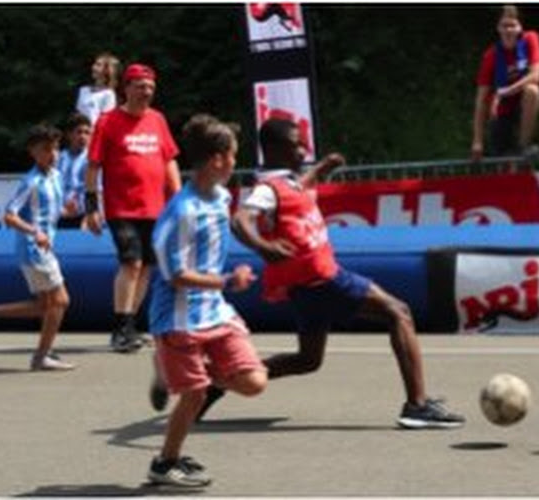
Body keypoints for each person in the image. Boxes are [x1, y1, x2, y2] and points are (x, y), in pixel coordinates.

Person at [188, 118, 465, 429]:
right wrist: (263, 247)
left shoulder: (288, 181)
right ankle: (417, 405)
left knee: (308, 360)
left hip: (306, 284)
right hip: (321, 279)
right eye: (296, 144)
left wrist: (322, 169)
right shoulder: (267, 188)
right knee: (398, 312)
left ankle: (219, 382)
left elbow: (300, 187)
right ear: (276, 150)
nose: (304, 148)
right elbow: (240, 220)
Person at [146, 114, 267, 488]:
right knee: (195, 396)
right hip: (179, 320)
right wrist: (229, 280)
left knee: (254, 382)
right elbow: (176, 275)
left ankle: (168, 372)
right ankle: (165, 464)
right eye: (233, 155)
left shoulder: (223, 196)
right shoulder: (180, 213)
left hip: (216, 310)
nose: (235, 162)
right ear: (217, 159)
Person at [85, 63, 182, 353]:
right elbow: (93, 165)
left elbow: (169, 160)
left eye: (150, 87)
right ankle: (121, 328)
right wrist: (91, 206)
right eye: (140, 86)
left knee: (147, 267)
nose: (146, 92)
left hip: (157, 208)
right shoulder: (108, 121)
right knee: (132, 263)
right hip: (122, 207)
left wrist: (177, 199)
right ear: (126, 88)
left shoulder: (158, 120)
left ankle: (131, 325)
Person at [0, 124, 75, 371]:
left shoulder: (57, 176)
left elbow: (49, 213)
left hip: (44, 248)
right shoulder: (31, 181)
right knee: (60, 301)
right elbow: (9, 216)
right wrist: (35, 232)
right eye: (46, 149)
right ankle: (42, 356)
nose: (53, 154)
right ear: (33, 152)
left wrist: (68, 212)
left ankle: (42, 353)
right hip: (34, 250)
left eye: (56, 148)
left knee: (44, 306)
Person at [471, 4, 539, 161]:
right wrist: (477, 140)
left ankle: (524, 146)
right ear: (498, 28)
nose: (509, 30)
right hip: (501, 113)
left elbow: (536, 75)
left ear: (520, 27)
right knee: (503, 164)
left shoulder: (530, 39)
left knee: (533, 90)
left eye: (513, 25)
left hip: (523, 108)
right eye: (504, 26)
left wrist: (505, 91)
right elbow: (481, 100)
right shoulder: (491, 56)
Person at [56, 112, 93, 229]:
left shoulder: (93, 161)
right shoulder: (58, 159)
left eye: (87, 133)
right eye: (79, 132)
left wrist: (88, 214)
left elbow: (97, 191)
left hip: (84, 217)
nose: (83, 136)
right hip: (59, 215)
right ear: (69, 135)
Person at [75, 52, 120, 126]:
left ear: (106, 70)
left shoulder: (108, 94)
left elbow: (106, 120)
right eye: (94, 64)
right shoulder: (83, 90)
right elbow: (78, 115)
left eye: (98, 65)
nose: (93, 67)